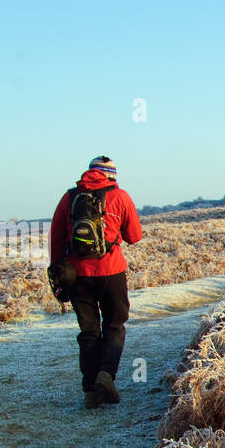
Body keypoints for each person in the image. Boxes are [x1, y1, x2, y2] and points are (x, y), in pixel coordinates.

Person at [49, 156, 143, 408]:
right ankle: (106, 376)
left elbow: (56, 236)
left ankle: (91, 391)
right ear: (111, 175)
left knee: (89, 331)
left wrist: (58, 267)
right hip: (111, 272)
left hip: (78, 275)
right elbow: (135, 236)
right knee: (115, 325)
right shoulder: (120, 196)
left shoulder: (69, 197)